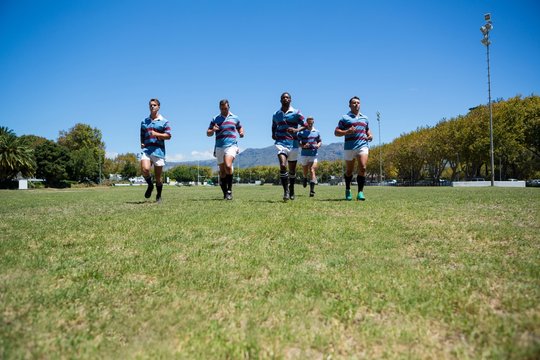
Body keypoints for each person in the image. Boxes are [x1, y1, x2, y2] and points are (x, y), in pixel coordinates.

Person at [334, 96, 373, 201]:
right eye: (354, 103)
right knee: (349, 171)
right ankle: (348, 189)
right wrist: (347, 131)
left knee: (363, 167)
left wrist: (370, 136)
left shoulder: (365, 118)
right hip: (349, 147)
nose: (356, 104)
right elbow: (336, 132)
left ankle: (360, 192)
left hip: (362, 146)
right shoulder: (344, 118)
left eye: (358, 103)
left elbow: (368, 131)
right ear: (350, 105)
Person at [207, 99, 244, 200]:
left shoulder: (235, 118)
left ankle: (229, 190)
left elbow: (240, 127)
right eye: (222, 108)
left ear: (229, 107)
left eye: (225, 108)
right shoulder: (215, 118)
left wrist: (241, 133)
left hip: (231, 145)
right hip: (219, 147)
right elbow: (208, 133)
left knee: (228, 166)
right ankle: (225, 193)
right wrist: (213, 130)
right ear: (220, 108)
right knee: (222, 172)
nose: (224, 110)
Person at [272, 92, 305, 201]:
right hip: (281, 143)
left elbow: (305, 125)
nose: (285, 99)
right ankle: (286, 191)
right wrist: (273, 134)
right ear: (280, 100)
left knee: (292, 171)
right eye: (283, 97)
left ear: (290, 100)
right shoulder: (276, 114)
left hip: (293, 144)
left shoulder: (296, 112)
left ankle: (292, 189)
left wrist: (296, 130)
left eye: (287, 97)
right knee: (282, 165)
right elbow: (273, 125)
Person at [140, 98, 172, 203]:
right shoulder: (144, 121)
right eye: (151, 105)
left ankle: (158, 196)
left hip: (159, 151)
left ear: (158, 107)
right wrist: (142, 142)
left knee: (158, 177)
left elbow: (168, 136)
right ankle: (150, 185)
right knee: (145, 169)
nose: (152, 106)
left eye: (154, 105)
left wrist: (157, 134)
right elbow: (142, 134)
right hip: (147, 150)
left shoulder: (164, 121)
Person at [298, 117, 322, 197]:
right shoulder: (302, 132)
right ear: (306, 123)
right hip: (304, 154)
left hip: (313, 154)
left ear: (313, 122)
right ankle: (304, 178)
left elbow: (320, 141)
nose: (310, 124)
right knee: (305, 171)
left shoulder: (317, 132)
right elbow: (298, 142)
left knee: (312, 170)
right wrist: (303, 146)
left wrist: (318, 145)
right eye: (309, 123)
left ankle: (312, 191)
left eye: (311, 122)